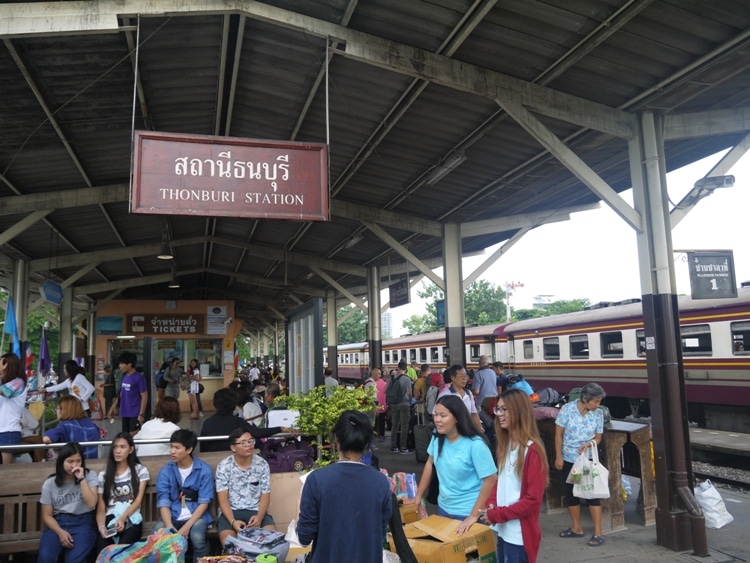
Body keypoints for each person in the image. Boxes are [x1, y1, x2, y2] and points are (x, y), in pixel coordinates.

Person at [297, 410, 391, 563]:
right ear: (367, 444)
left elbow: (304, 538)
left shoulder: (316, 480)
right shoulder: (381, 483)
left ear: (336, 439)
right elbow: (379, 534)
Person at [410, 395, 497, 534]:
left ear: (457, 418)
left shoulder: (475, 445)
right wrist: (418, 495)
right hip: (444, 508)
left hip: (468, 512)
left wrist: (474, 516)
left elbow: (491, 480)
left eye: (443, 415)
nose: (437, 419)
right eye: (436, 414)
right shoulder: (437, 436)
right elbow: (429, 464)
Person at [481, 389, 549, 563]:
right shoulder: (505, 445)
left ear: (519, 411)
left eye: (505, 409)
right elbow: (500, 482)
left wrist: (497, 515)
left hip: (519, 536)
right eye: (498, 409)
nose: (499, 414)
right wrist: (491, 503)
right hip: (504, 531)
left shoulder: (532, 451)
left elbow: (533, 500)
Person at [554, 382, 606, 548]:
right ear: (585, 399)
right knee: (571, 493)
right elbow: (558, 435)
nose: (598, 405)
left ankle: (598, 532)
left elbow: (598, 437)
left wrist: (590, 443)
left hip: (587, 461)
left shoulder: (598, 414)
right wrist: (559, 456)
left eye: (599, 401)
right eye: (595, 401)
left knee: (592, 494)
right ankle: (577, 527)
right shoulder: (567, 410)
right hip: (570, 460)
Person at [155, 429, 214, 561]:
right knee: (158, 533)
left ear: (189, 450)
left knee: (197, 538)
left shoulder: (203, 470)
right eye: (171, 446)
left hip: (197, 517)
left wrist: (187, 526)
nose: (172, 451)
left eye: (177, 447)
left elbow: (204, 502)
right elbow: (163, 501)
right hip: (173, 515)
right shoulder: (166, 471)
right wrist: (169, 526)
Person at [38, 442, 99, 563]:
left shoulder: (90, 476)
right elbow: (47, 515)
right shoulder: (50, 483)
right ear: (61, 462)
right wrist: (60, 532)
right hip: (58, 523)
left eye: (78, 461)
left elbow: (92, 504)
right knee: (46, 557)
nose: (74, 465)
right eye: (70, 461)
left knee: (74, 560)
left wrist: (81, 479)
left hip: (83, 522)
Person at [216, 428, 277, 547]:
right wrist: (233, 522)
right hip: (231, 513)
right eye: (243, 443)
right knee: (229, 544)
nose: (249, 445)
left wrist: (259, 518)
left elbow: (265, 494)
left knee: (272, 540)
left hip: (256, 511)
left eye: (251, 441)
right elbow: (223, 500)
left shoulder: (262, 464)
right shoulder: (224, 466)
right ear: (233, 447)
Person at [95, 432, 150, 551]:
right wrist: (101, 527)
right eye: (115, 447)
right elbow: (101, 506)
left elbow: (137, 500)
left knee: (121, 551)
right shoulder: (103, 475)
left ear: (131, 450)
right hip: (110, 518)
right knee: (102, 549)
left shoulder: (140, 470)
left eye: (122, 447)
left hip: (131, 517)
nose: (117, 451)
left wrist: (123, 518)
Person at [200, 388, 291, 453]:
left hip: (210, 458)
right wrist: (280, 429)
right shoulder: (237, 422)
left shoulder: (207, 423)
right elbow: (258, 433)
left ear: (215, 404)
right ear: (234, 405)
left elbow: (202, 447)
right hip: (235, 460)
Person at [43, 395, 101, 459]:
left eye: (57, 408)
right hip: (93, 463)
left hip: (74, 465)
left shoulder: (65, 426)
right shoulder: (90, 423)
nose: (56, 411)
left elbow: (47, 439)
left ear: (63, 410)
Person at [106, 352, 148, 433]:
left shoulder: (139, 378)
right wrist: (112, 407)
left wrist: (141, 414)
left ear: (129, 364)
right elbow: (121, 394)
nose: (119, 366)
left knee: (133, 436)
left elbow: (144, 396)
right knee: (125, 436)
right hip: (125, 412)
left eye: (122, 364)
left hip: (135, 413)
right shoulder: (124, 377)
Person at [435, 364, 483, 433]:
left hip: (467, 431)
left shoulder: (469, 394)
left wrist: (480, 430)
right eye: (461, 376)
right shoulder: (445, 394)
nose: (464, 379)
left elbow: (474, 414)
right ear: (453, 378)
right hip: (452, 433)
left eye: (465, 376)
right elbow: (435, 414)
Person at [0, 352, 28, 464]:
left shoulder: (18, 382)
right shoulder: (3, 383)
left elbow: (3, 391)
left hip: (8, 432)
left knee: (4, 472)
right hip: (4, 431)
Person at [388, 361, 413, 454]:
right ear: (406, 369)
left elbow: (385, 390)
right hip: (404, 404)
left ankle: (393, 446)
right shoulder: (407, 379)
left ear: (398, 367)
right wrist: (410, 400)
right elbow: (409, 392)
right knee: (404, 426)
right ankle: (403, 447)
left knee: (394, 425)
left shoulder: (392, 378)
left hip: (394, 404)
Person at [372, 368, 388, 441]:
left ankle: (375, 435)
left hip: (373, 406)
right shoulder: (385, 384)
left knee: (374, 421)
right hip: (383, 406)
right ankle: (381, 435)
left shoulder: (372, 384)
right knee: (382, 421)